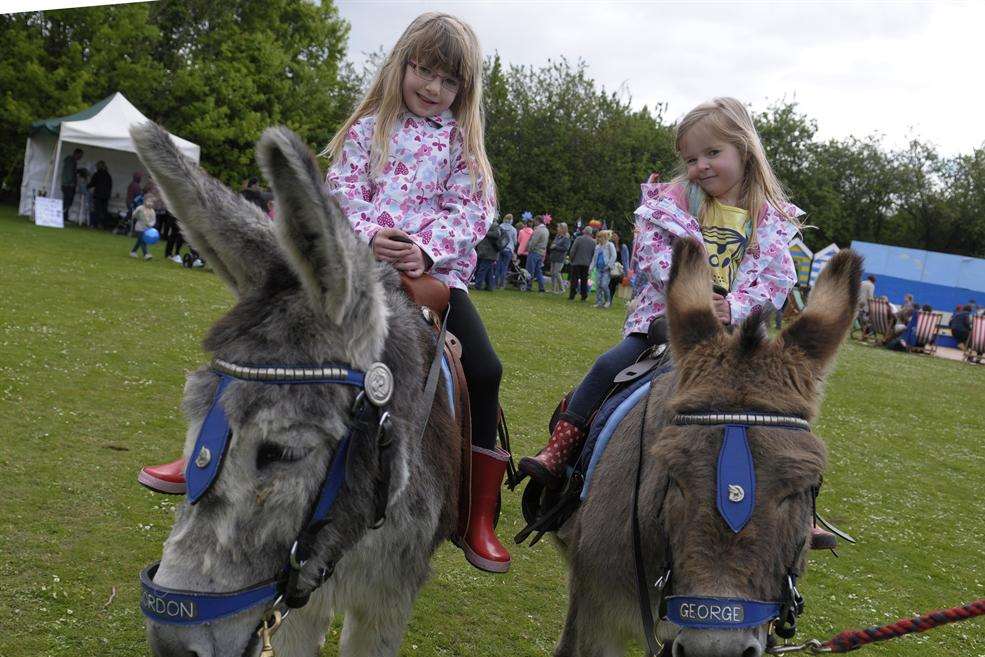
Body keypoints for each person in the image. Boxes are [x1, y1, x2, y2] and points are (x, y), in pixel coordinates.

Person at [520, 96, 803, 492]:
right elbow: (652, 256)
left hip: (736, 333)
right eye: (691, 159)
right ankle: (561, 449)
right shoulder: (668, 205)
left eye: (712, 153)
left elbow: (776, 280)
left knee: (783, 401)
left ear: (744, 150)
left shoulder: (769, 219)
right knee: (607, 366)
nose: (700, 166)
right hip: (665, 323)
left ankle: (797, 494)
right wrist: (695, 297)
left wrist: (735, 307)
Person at [324, 12, 509, 573]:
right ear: (401, 63)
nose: (433, 88)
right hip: (359, 271)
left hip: (434, 283)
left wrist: (424, 250)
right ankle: (213, 450)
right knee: (274, 327)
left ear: (464, 90)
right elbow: (340, 191)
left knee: (486, 370)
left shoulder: (463, 145)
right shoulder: (366, 130)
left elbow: (474, 212)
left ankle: (476, 514)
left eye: (449, 81)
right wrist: (370, 236)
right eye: (423, 71)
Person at [567, 226, 596, 301]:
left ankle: (572, 295)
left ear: (584, 231)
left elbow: (573, 250)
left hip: (576, 262)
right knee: (584, 280)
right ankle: (584, 295)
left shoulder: (579, 239)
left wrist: (571, 259)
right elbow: (593, 253)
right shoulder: (593, 242)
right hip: (586, 263)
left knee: (574, 279)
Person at [474, 216, 501, 291]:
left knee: (482, 269)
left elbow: (497, 234)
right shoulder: (486, 224)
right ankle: (490, 286)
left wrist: (484, 233)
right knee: (489, 271)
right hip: (485, 252)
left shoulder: (494, 225)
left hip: (489, 253)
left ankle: (478, 285)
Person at [592, 229, 617, 308]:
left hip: (606, 269)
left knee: (604, 285)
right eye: (597, 237)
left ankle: (608, 301)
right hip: (599, 268)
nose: (598, 239)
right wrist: (591, 267)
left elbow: (614, 256)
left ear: (605, 237)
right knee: (598, 285)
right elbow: (594, 258)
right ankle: (599, 302)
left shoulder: (610, 245)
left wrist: (609, 265)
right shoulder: (597, 247)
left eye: (600, 237)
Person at [129, 194, 157, 260]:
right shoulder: (140, 208)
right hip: (139, 227)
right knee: (143, 240)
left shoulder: (152, 211)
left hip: (147, 229)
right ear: (144, 201)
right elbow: (133, 215)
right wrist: (136, 214)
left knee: (140, 240)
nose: (150, 203)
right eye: (148, 201)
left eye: (152, 202)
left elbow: (153, 220)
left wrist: (151, 224)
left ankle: (133, 251)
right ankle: (146, 254)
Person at [525, 214, 549, 292]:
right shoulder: (546, 230)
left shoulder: (538, 230)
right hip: (541, 253)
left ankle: (528, 286)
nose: (534, 222)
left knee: (530, 270)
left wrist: (529, 249)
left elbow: (533, 242)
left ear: (538, 221)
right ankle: (541, 287)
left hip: (534, 252)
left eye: (535, 221)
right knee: (538, 271)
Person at [60, 148, 83, 223]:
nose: (80, 157)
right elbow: (70, 173)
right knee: (67, 201)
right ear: (76, 154)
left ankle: (64, 216)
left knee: (67, 201)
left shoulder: (69, 161)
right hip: (69, 185)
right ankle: (63, 217)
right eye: (80, 155)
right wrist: (71, 182)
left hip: (66, 184)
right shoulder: (71, 161)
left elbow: (71, 172)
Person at [88, 160, 113, 229]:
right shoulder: (108, 175)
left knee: (96, 210)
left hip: (98, 195)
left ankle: (94, 224)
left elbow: (92, 183)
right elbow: (110, 186)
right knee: (104, 211)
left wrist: (86, 186)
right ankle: (103, 225)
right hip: (106, 196)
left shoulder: (97, 174)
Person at [548, 222, 571, 293]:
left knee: (556, 272)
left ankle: (562, 289)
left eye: (559, 227)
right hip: (553, 257)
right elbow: (553, 243)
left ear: (563, 229)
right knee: (552, 273)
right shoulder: (557, 236)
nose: (557, 229)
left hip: (560, 258)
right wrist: (552, 246)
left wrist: (556, 247)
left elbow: (566, 248)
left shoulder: (566, 238)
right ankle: (553, 289)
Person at [496, 213, 516, 288]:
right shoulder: (513, 229)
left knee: (498, 266)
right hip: (509, 249)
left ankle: (495, 283)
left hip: (500, 248)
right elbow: (515, 241)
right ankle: (502, 284)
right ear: (511, 220)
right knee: (505, 267)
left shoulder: (500, 226)